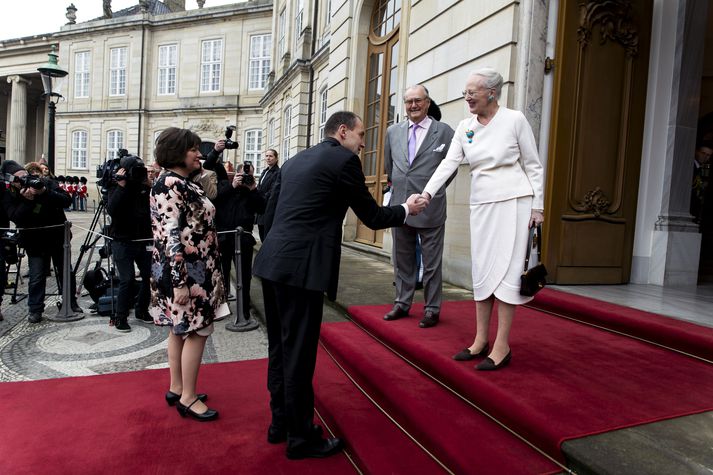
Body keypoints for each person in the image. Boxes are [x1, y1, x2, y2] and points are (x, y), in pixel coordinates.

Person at [253, 111, 428, 459]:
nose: (363, 143)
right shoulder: (343, 161)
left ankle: (280, 424)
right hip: (302, 271)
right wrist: (406, 208)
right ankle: (301, 438)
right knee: (299, 356)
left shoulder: (297, 159)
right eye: (361, 135)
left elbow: (270, 215)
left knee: (280, 349)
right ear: (343, 131)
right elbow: (373, 217)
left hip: (272, 263)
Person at [422, 68, 545, 371]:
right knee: (483, 271)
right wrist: (426, 194)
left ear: (492, 92)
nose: (467, 96)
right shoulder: (465, 126)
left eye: (472, 91)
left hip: (515, 203)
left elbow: (533, 165)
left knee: (507, 272)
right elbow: (449, 163)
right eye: (465, 91)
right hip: (482, 205)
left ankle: (501, 345)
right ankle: (480, 340)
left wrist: (538, 207)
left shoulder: (514, 119)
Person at [149, 127, 228, 421]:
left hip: (189, 270)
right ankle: (188, 398)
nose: (199, 153)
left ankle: (177, 387)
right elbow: (170, 236)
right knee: (197, 331)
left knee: (179, 329)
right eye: (193, 149)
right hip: (187, 273)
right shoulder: (171, 184)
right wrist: (180, 283)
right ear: (177, 152)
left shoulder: (180, 181)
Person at [383, 84, 455, 328]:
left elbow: (450, 169)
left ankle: (432, 309)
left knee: (432, 263)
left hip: (430, 207)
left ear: (427, 102)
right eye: (409, 101)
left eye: (418, 101)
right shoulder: (393, 132)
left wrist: (433, 192)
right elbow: (390, 168)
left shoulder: (444, 132)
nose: (413, 105)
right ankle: (402, 303)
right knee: (402, 259)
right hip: (401, 206)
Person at [1, 160, 83, 323]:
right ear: (11, 180)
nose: (24, 180)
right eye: (18, 178)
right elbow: (16, 217)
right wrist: (28, 200)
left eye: (25, 176)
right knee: (37, 275)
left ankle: (70, 303)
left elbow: (66, 200)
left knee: (66, 272)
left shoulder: (45, 182)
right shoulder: (9, 194)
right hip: (34, 242)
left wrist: (44, 191)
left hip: (58, 237)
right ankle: (35, 309)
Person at [212, 160, 265, 321]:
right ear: (236, 174)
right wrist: (232, 186)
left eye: (248, 175)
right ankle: (223, 304)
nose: (245, 178)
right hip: (224, 237)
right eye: (242, 175)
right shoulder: (225, 186)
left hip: (244, 239)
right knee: (223, 272)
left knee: (245, 274)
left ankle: (244, 307)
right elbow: (215, 201)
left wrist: (253, 189)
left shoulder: (252, 191)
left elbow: (262, 208)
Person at [106, 158, 152, 332]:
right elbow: (112, 209)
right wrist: (121, 185)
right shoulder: (116, 186)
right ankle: (121, 316)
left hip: (143, 240)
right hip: (122, 241)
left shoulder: (144, 187)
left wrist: (149, 185)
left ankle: (141, 309)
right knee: (127, 279)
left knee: (149, 276)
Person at [256, 149, 280, 241]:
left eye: (271, 156)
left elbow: (272, 191)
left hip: (268, 208)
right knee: (261, 234)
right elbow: (259, 187)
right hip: (260, 208)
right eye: (266, 156)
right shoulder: (265, 171)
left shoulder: (277, 172)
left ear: (276, 158)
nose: (268, 158)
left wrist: (260, 200)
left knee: (266, 236)